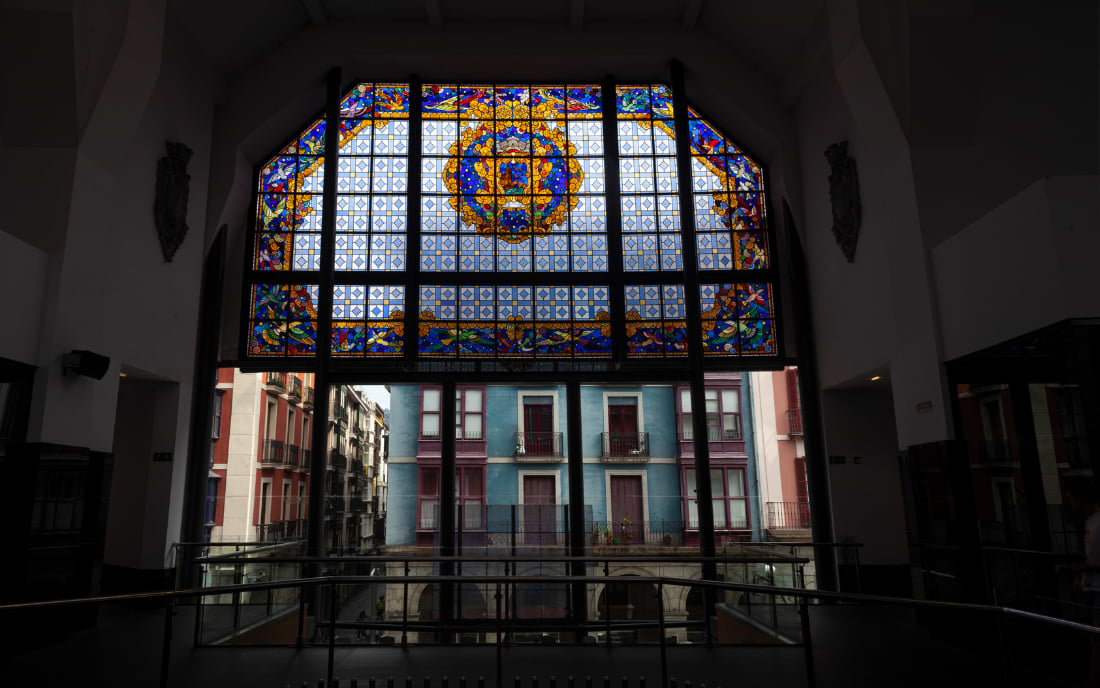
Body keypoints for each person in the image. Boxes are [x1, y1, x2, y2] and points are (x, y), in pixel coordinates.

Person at [1064, 476, 1100, 686]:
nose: (1070, 503)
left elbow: (1094, 560)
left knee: (1096, 643)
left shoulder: (1096, 522)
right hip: (1092, 590)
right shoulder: (1090, 522)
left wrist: (1080, 570)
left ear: (1079, 498)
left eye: (1070, 498)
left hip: (1097, 591)